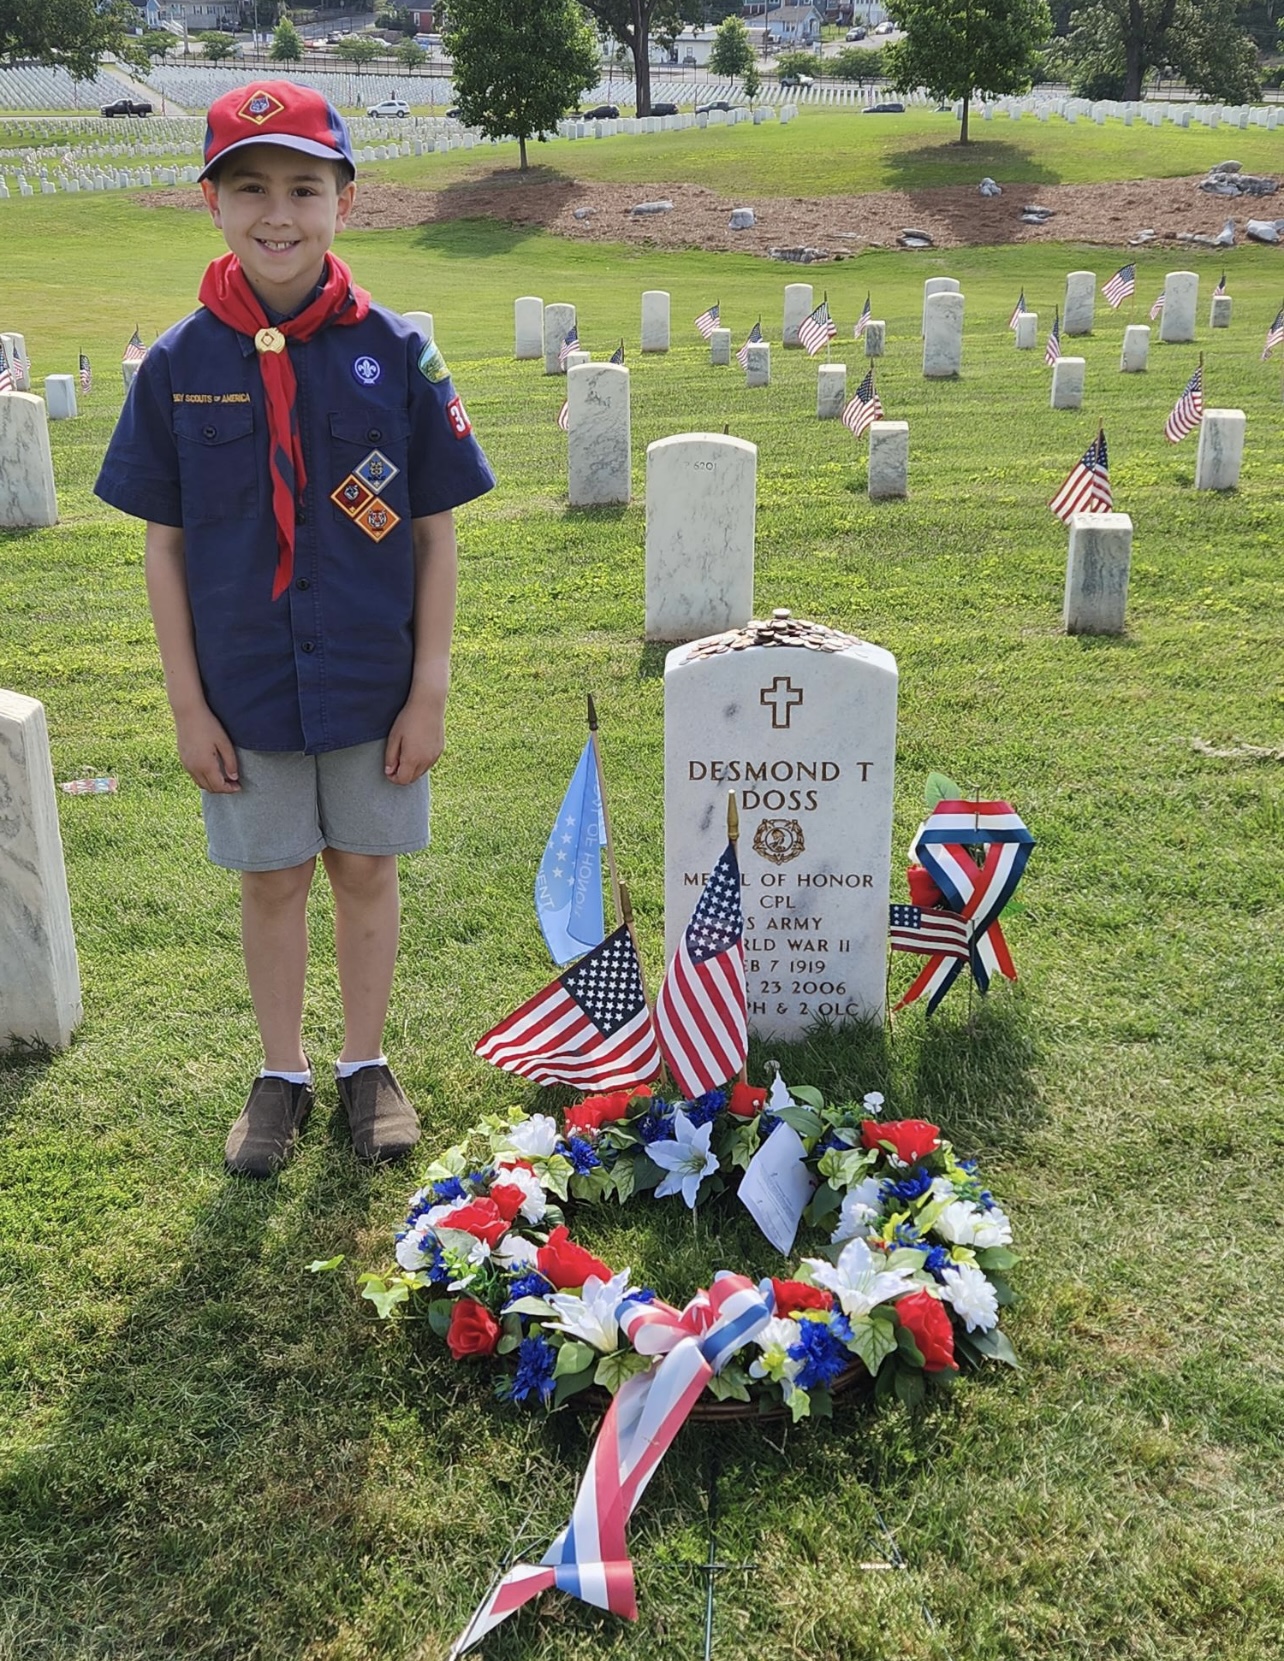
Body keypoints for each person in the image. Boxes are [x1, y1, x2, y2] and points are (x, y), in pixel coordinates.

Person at [94, 82, 495, 1177]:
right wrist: (185, 704)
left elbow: (431, 531)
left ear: (345, 202)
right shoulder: (178, 367)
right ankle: (282, 1071)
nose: (280, 212)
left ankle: (366, 1063)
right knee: (271, 878)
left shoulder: (399, 351)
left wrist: (431, 687)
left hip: (371, 676)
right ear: (212, 203)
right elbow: (166, 544)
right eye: (251, 187)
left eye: (304, 188)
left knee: (366, 866)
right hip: (247, 686)